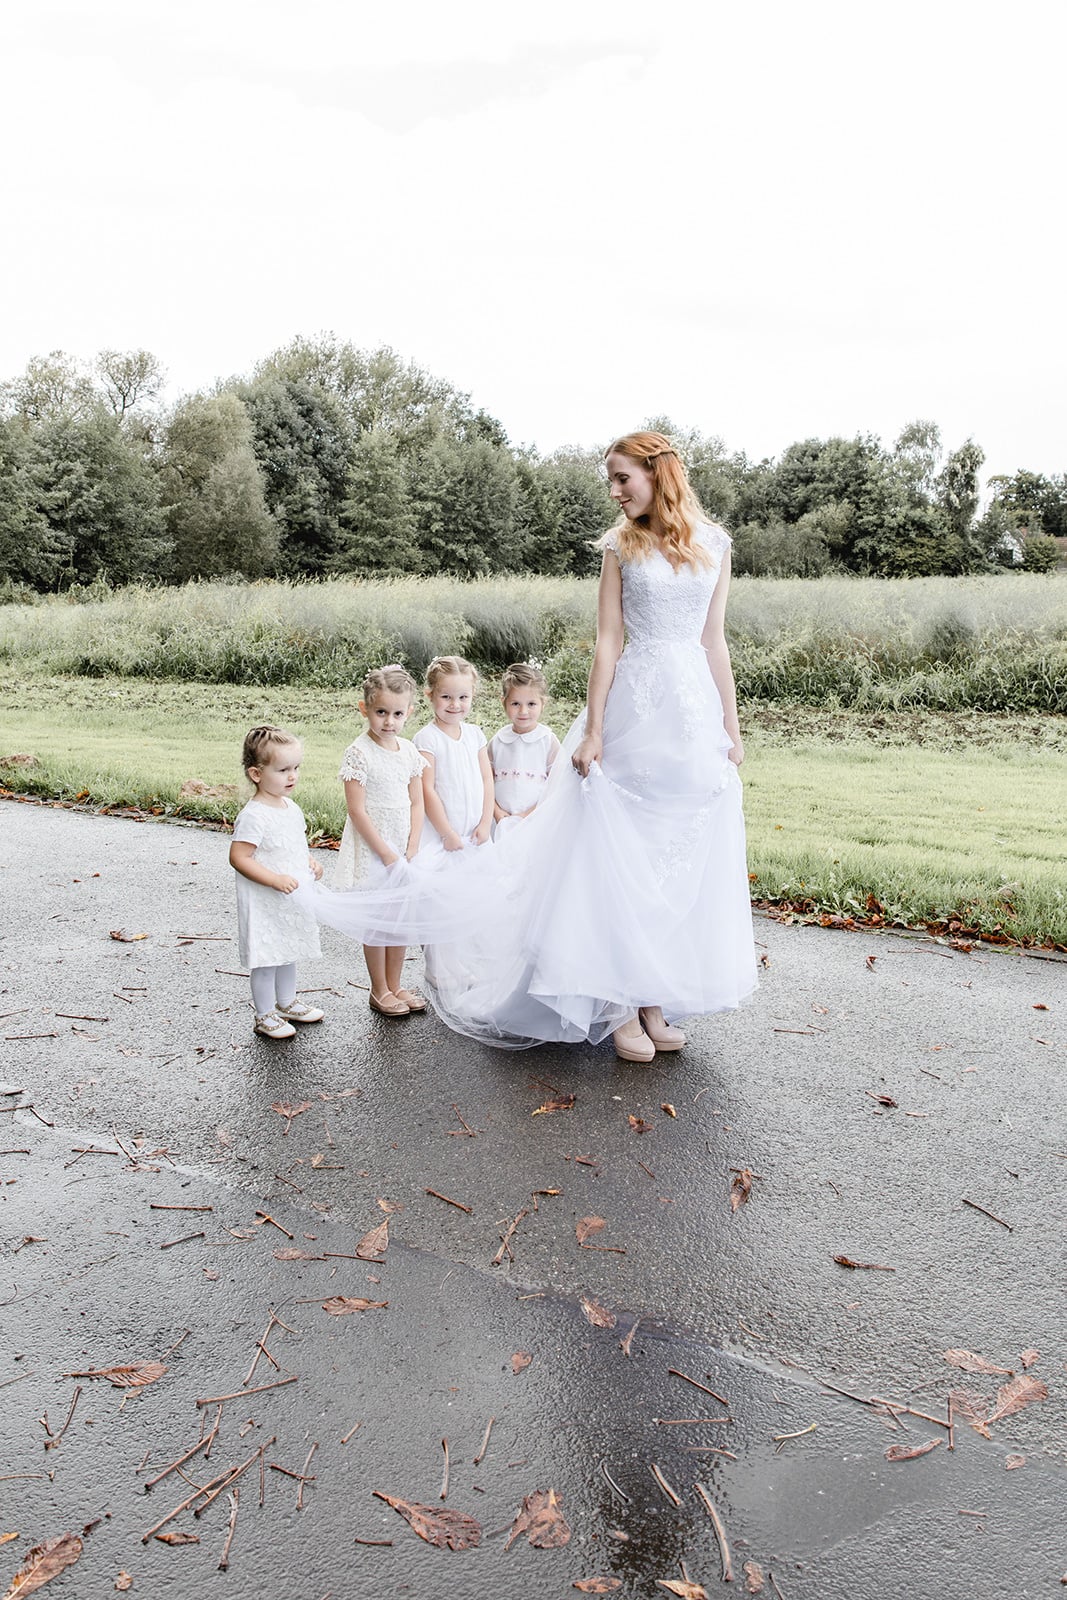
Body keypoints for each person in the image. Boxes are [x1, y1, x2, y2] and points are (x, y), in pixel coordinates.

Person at [307, 430, 756, 1056]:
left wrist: (730, 730)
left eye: (623, 477)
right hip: (633, 708)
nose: (614, 489)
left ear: (659, 473)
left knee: (668, 858)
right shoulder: (620, 546)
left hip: (691, 717)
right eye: (611, 478)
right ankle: (618, 1002)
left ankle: (655, 1000)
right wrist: (595, 728)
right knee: (614, 852)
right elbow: (607, 641)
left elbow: (715, 641)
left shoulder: (714, 544)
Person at [336, 665, 428, 1018]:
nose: (389, 721)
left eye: (397, 713)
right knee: (378, 920)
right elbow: (357, 811)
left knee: (399, 918)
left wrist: (413, 845)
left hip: (403, 846)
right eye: (381, 712)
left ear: (409, 713)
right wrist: (387, 853)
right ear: (364, 709)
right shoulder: (358, 753)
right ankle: (379, 989)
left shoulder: (408, 751)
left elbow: (417, 802)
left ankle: (396, 982)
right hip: (376, 847)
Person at [229, 725, 325, 1040]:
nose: (292, 776)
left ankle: (286, 1002)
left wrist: (308, 863)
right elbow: (240, 857)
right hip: (266, 899)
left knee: (288, 950)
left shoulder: (290, 807)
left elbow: (293, 845)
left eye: (296, 768)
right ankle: (264, 1014)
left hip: (289, 898)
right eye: (283, 770)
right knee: (267, 956)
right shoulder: (255, 815)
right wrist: (273, 879)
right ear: (256, 774)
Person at [413, 656, 494, 853]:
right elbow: (426, 789)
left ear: (472, 694)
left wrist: (485, 823)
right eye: (446, 697)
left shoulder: (475, 735)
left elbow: (487, 780)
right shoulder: (427, 739)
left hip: (476, 834)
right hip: (442, 836)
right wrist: (446, 833)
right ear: (430, 695)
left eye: (463, 697)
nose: (455, 705)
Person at [489, 661, 561, 838]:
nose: (523, 711)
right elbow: (485, 782)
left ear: (543, 703)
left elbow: (556, 786)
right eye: (515, 703)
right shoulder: (497, 741)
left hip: (535, 819)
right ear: (503, 702)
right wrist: (496, 812)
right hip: (500, 820)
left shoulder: (548, 740)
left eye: (531, 704)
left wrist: (528, 815)